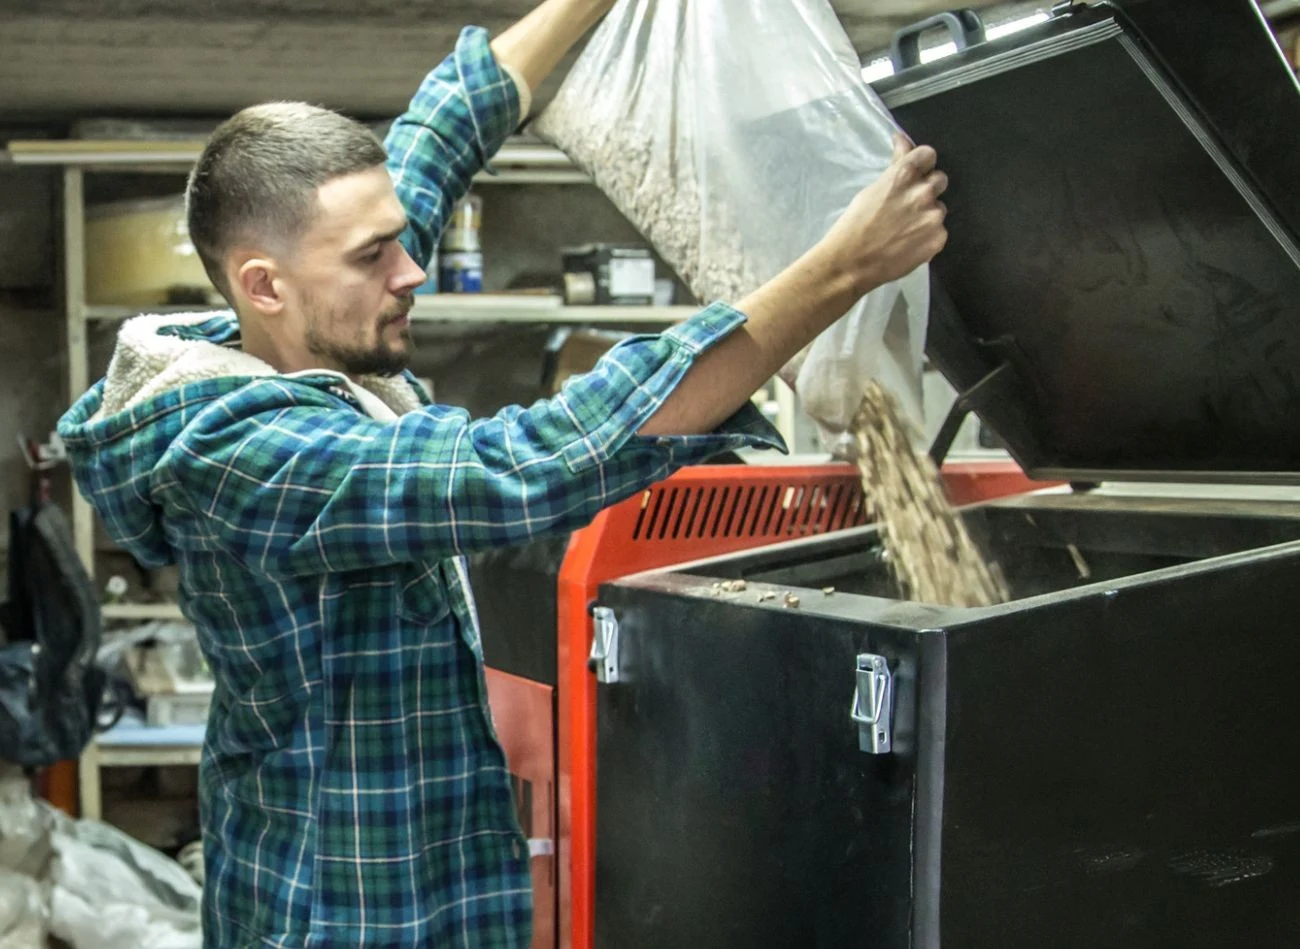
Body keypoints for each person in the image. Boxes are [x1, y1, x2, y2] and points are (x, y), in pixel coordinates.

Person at [58, 0, 949, 944]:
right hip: (342, 909)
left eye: (398, 237)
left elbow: (444, 126)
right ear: (263, 285)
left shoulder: (311, 323)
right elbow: (526, 463)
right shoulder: (239, 452)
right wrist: (841, 269)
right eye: (375, 255)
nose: (411, 271)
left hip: (442, 876)